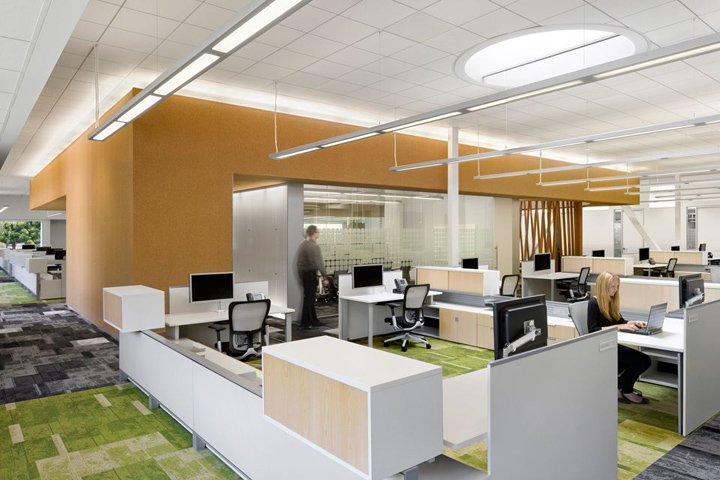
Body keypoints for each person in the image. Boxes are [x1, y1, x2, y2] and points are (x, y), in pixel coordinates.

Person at [587, 271, 652, 404]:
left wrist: (633, 323)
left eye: (617, 287)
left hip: (611, 343)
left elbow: (619, 321)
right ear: (603, 287)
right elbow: (592, 330)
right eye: (613, 287)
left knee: (644, 360)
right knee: (642, 360)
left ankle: (617, 386)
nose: (615, 290)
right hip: (601, 346)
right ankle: (625, 389)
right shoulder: (594, 303)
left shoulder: (610, 301)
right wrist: (620, 327)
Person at [296, 225, 329, 330]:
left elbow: (299, 263)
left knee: (308, 298)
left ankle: (313, 320)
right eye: (317, 232)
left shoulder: (303, 245)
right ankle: (306, 323)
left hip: (305, 275)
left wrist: (301, 277)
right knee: (309, 300)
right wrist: (325, 277)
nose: (318, 234)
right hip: (310, 274)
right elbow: (319, 263)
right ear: (314, 233)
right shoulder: (314, 247)